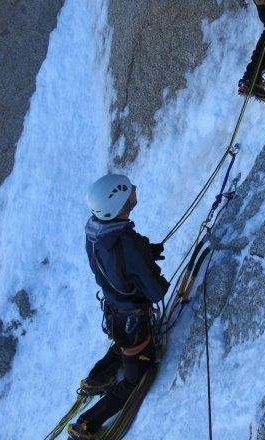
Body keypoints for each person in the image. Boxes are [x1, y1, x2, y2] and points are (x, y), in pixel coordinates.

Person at [68, 174, 169, 440]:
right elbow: (155, 291)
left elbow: (117, 259)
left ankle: (98, 377)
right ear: (118, 203)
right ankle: (87, 425)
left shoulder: (96, 231)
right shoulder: (127, 244)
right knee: (137, 376)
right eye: (129, 189)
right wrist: (148, 267)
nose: (135, 188)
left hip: (115, 311)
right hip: (133, 320)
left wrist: (144, 253)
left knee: (122, 345)